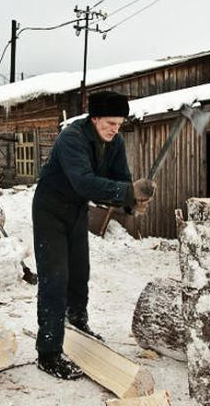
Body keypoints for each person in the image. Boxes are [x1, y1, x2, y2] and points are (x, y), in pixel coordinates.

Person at [32, 90, 156, 380]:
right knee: (55, 277)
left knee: (79, 273)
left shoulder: (115, 142)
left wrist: (132, 201)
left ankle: (77, 323)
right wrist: (127, 192)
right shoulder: (72, 138)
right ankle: (48, 352)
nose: (115, 129)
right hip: (49, 209)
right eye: (110, 123)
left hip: (76, 209)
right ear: (95, 117)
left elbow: (121, 180)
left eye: (119, 123)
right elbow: (84, 182)